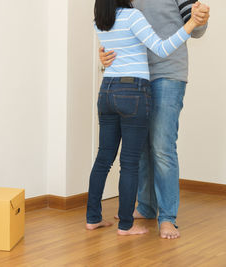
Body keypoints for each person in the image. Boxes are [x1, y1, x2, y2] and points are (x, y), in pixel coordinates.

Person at [85, 0, 202, 236]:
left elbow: (197, 27)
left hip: (160, 75)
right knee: (135, 154)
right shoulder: (130, 13)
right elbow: (151, 45)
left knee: (159, 147)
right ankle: (139, 213)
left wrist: (197, 20)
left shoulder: (108, 17)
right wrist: (105, 53)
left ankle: (166, 217)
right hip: (134, 84)